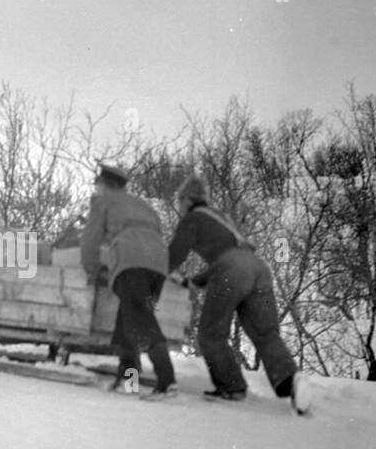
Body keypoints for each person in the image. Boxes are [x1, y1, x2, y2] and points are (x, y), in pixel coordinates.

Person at [168, 174, 302, 408]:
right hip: (258, 268)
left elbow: (174, 256)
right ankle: (291, 381)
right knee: (266, 333)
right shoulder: (221, 217)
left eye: (179, 202)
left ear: (186, 200)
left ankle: (232, 387)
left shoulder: (192, 219)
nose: (179, 208)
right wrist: (195, 282)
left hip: (232, 270)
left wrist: (157, 271)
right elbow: (230, 258)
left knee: (211, 333)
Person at [80, 164, 178, 400]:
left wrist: (92, 269)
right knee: (127, 324)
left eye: (98, 185)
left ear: (105, 185)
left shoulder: (103, 202)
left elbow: (90, 240)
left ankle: (167, 381)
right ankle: (129, 380)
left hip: (131, 262)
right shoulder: (143, 206)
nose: (97, 188)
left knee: (141, 320)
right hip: (158, 265)